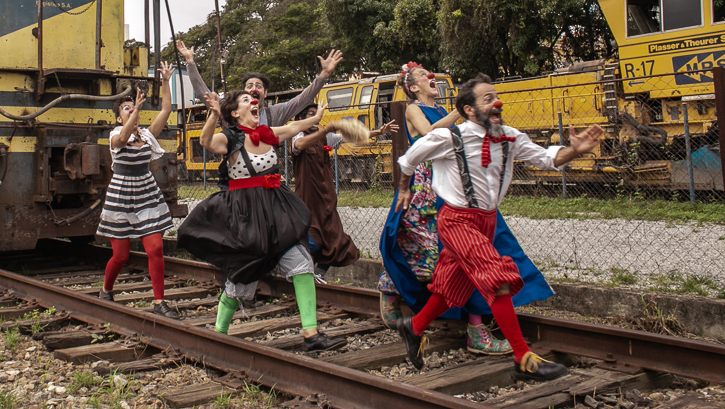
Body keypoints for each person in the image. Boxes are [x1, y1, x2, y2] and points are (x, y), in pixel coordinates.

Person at [394, 74, 604, 381]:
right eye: (488, 99)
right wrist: (404, 189)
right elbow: (407, 160)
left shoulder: (510, 137)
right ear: (468, 110)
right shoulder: (448, 138)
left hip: (487, 222)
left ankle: (412, 327)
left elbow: (546, 159)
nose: (498, 103)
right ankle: (523, 358)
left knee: (452, 288)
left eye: (496, 97)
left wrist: (575, 150)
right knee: (497, 279)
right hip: (456, 220)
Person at [379, 64, 554, 355]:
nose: (430, 76)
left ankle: (469, 325)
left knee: (473, 259)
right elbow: (429, 134)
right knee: (420, 253)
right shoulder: (413, 109)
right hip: (426, 190)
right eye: (423, 75)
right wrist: (463, 111)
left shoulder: (445, 110)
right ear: (413, 87)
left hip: (461, 189)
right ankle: (392, 292)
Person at [177, 90, 345, 352]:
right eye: (245, 100)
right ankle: (219, 334)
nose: (253, 102)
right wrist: (213, 115)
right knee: (244, 275)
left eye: (252, 99)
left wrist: (319, 117)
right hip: (246, 215)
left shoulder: (268, 133)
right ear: (235, 113)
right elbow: (206, 141)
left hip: (277, 208)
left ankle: (311, 334)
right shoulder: (230, 137)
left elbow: (295, 127)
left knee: (301, 263)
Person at [95, 62, 178, 318]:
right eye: (126, 108)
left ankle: (159, 302)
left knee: (155, 248)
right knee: (120, 256)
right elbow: (122, 139)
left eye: (134, 107)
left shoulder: (147, 135)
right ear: (119, 118)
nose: (132, 110)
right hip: (120, 197)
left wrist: (165, 81)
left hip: (146, 193)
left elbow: (166, 109)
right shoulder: (115, 135)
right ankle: (107, 290)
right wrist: (137, 111)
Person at [292, 104, 397, 282]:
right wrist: (324, 130)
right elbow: (299, 145)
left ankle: (317, 275)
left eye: (318, 114)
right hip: (308, 201)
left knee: (338, 243)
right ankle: (297, 269)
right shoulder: (298, 135)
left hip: (326, 200)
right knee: (313, 243)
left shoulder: (325, 137)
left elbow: (350, 137)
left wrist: (379, 132)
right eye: (311, 114)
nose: (316, 117)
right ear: (301, 119)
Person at [175, 40, 343, 127]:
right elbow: (202, 92)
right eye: (249, 86)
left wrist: (324, 74)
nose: (254, 89)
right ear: (242, 92)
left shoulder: (275, 114)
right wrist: (190, 61)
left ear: (265, 93)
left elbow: (303, 99)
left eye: (259, 86)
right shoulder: (229, 111)